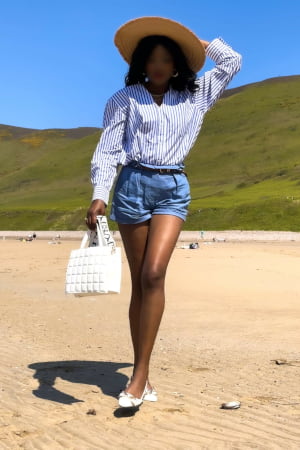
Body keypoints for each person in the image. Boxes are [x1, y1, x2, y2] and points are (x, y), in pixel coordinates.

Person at [86, 16, 242, 408]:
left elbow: (233, 63)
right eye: (151, 58)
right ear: (141, 63)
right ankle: (145, 373)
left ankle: (136, 379)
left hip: (173, 187)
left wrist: (197, 42)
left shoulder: (198, 93)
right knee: (141, 283)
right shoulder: (123, 99)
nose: (158, 64)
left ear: (177, 64)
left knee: (155, 273)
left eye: (166, 57)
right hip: (132, 187)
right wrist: (99, 194)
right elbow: (107, 151)